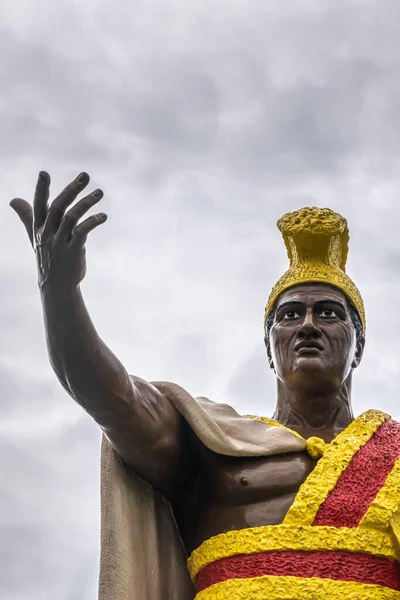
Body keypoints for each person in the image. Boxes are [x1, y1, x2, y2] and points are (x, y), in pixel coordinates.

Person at [10, 172, 400, 600]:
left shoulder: (393, 455)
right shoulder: (214, 447)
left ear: (358, 347)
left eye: (328, 313)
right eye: (289, 315)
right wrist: (59, 291)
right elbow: (112, 398)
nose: (307, 325)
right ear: (270, 350)